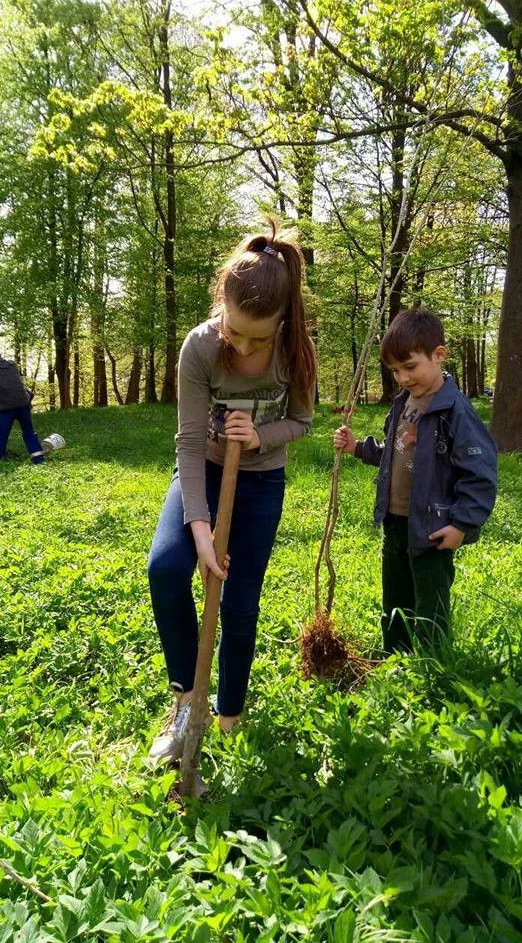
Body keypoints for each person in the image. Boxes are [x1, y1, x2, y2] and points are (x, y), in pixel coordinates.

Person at [147, 224, 316, 765]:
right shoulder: (199, 346)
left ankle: (228, 713)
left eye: (257, 339)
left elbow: (302, 421)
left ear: (282, 323)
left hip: (262, 481)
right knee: (165, 569)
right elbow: (190, 442)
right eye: (234, 332)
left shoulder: (296, 353)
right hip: (207, 472)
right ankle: (185, 701)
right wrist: (199, 530)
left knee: (240, 603)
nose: (242, 346)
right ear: (223, 303)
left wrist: (261, 435)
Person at [333, 309, 497, 652]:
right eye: (395, 370)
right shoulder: (403, 403)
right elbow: (392, 453)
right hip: (395, 522)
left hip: (433, 529)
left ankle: (433, 662)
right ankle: (395, 654)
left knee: (430, 599)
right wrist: (356, 448)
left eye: (410, 366)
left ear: (438, 355)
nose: (403, 377)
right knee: (395, 594)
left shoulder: (456, 411)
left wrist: (462, 524)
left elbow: (480, 475)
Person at [0, 348, 45, 464]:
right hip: (23, 403)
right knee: (29, 431)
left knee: (0, 433)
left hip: (5, 407)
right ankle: (39, 459)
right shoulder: (12, 365)